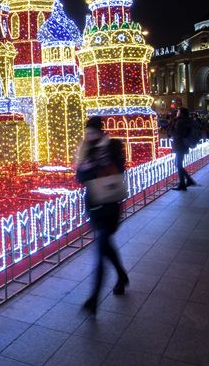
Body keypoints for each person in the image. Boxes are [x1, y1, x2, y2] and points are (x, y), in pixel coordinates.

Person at [76, 116, 129, 315]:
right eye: (87, 133)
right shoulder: (85, 149)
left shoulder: (114, 146)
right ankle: (122, 275)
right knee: (106, 246)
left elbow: (119, 169)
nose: (88, 136)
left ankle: (94, 298)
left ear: (100, 131)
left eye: (92, 132)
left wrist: (97, 165)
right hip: (94, 206)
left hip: (110, 205)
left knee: (100, 249)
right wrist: (86, 169)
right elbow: (79, 177)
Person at [171, 107, 196, 190]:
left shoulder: (180, 121)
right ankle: (187, 180)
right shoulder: (187, 120)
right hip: (184, 144)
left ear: (181, 113)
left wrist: (171, 131)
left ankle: (183, 183)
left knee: (178, 164)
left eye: (178, 111)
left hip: (179, 144)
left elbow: (177, 134)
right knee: (178, 163)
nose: (177, 112)